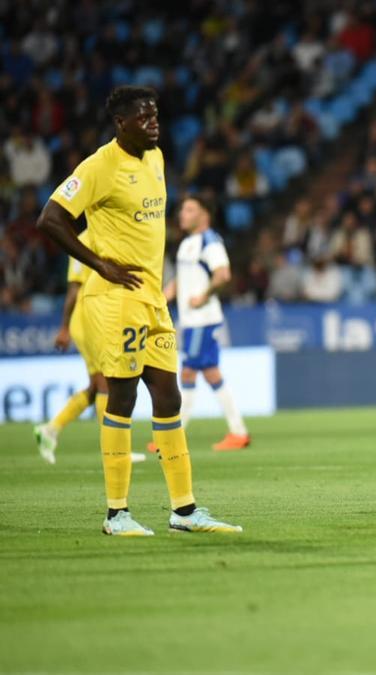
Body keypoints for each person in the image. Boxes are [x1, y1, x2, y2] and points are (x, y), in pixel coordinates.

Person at [35, 85, 240, 537]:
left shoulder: (157, 158)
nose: (153, 123)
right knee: (122, 396)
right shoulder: (98, 166)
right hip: (115, 299)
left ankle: (184, 512)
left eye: (155, 115)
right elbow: (50, 218)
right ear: (120, 122)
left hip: (151, 299)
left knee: (168, 396)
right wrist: (99, 264)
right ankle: (116, 514)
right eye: (144, 117)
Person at [34, 226, 146, 465]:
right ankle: (115, 451)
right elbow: (74, 290)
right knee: (105, 381)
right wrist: (64, 327)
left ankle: (51, 430)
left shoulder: (107, 235)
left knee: (96, 385)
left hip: (98, 314)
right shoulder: (84, 240)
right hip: (88, 317)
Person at [163, 194, 250, 450]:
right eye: (182, 209)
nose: (182, 214)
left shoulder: (210, 242)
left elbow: (223, 274)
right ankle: (238, 432)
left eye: (190, 210)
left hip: (202, 319)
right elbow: (182, 279)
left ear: (204, 215)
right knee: (209, 372)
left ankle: (173, 435)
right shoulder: (187, 244)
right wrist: (166, 295)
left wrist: (204, 295)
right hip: (191, 320)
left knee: (189, 370)